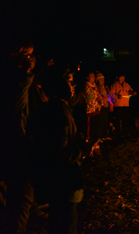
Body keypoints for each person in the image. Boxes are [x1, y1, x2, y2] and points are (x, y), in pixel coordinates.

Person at [30, 65, 85, 234]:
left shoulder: (56, 110)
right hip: (63, 185)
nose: (73, 84)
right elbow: (59, 155)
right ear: (58, 85)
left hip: (60, 186)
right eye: (69, 81)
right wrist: (83, 148)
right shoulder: (57, 113)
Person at [0, 38, 36, 233]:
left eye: (32, 55)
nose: (31, 59)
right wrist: (27, 74)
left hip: (15, 142)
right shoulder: (13, 79)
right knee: (21, 196)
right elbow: (16, 107)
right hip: (12, 144)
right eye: (27, 55)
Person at [84, 71, 102, 155]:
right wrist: (97, 105)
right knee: (90, 130)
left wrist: (101, 103)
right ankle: (88, 148)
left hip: (97, 110)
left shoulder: (95, 86)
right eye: (91, 76)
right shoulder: (87, 87)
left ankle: (95, 145)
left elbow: (98, 95)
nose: (93, 78)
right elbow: (89, 99)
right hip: (91, 110)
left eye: (94, 76)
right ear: (87, 77)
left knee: (96, 128)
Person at [96, 72, 112, 141]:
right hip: (101, 107)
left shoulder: (105, 87)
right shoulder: (97, 88)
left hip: (105, 106)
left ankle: (105, 135)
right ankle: (100, 136)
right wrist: (102, 98)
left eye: (103, 79)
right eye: (101, 79)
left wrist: (110, 104)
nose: (103, 81)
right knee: (100, 122)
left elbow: (108, 96)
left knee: (106, 121)